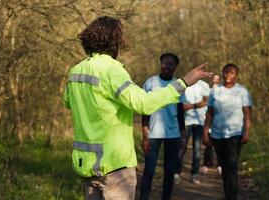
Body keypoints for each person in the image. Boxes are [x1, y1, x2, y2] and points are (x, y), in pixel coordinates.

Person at [64, 16, 211, 200]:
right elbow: (143, 104)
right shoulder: (112, 70)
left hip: (86, 164)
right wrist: (182, 83)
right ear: (114, 41)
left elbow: (69, 102)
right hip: (114, 165)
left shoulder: (76, 71)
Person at [139, 53, 186, 200]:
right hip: (153, 134)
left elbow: (180, 112)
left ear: (175, 67)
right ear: (160, 64)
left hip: (173, 135)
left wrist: (183, 136)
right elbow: (144, 110)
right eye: (164, 63)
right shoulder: (150, 82)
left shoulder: (178, 84)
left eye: (170, 64)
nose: (166, 66)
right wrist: (145, 135)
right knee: (149, 171)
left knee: (169, 171)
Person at [203, 64, 252, 200]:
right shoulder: (216, 91)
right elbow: (210, 113)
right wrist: (205, 131)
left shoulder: (242, 91)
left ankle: (232, 196)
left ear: (236, 75)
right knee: (224, 166)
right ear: (222, 73)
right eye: (226, 72)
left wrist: (247, 131)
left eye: (231, 73)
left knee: (232, 165)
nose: (228, 75)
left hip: (235, 134)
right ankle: (227, 193)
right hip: (218, 134)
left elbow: (247, 114)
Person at [174, 78, 210, 184]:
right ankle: (176, 172)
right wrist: (194, 105)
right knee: (181, 147)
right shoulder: (185, 84)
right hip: (186, 121)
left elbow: (206, 101)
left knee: (197, 149)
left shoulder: (204, 85)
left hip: (200, 121)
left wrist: (190, 106)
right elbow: (180, 105)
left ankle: (194, 174)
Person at [200, 73, 222, 174]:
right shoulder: (206, 91)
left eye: (217, 79)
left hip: (219, 122)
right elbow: (204, 105)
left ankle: (220, 164)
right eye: (214, 79)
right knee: (209, 144)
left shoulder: (222, 92)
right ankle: (206, 164)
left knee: (220, 145)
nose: (215, 81)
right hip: (208, 120)